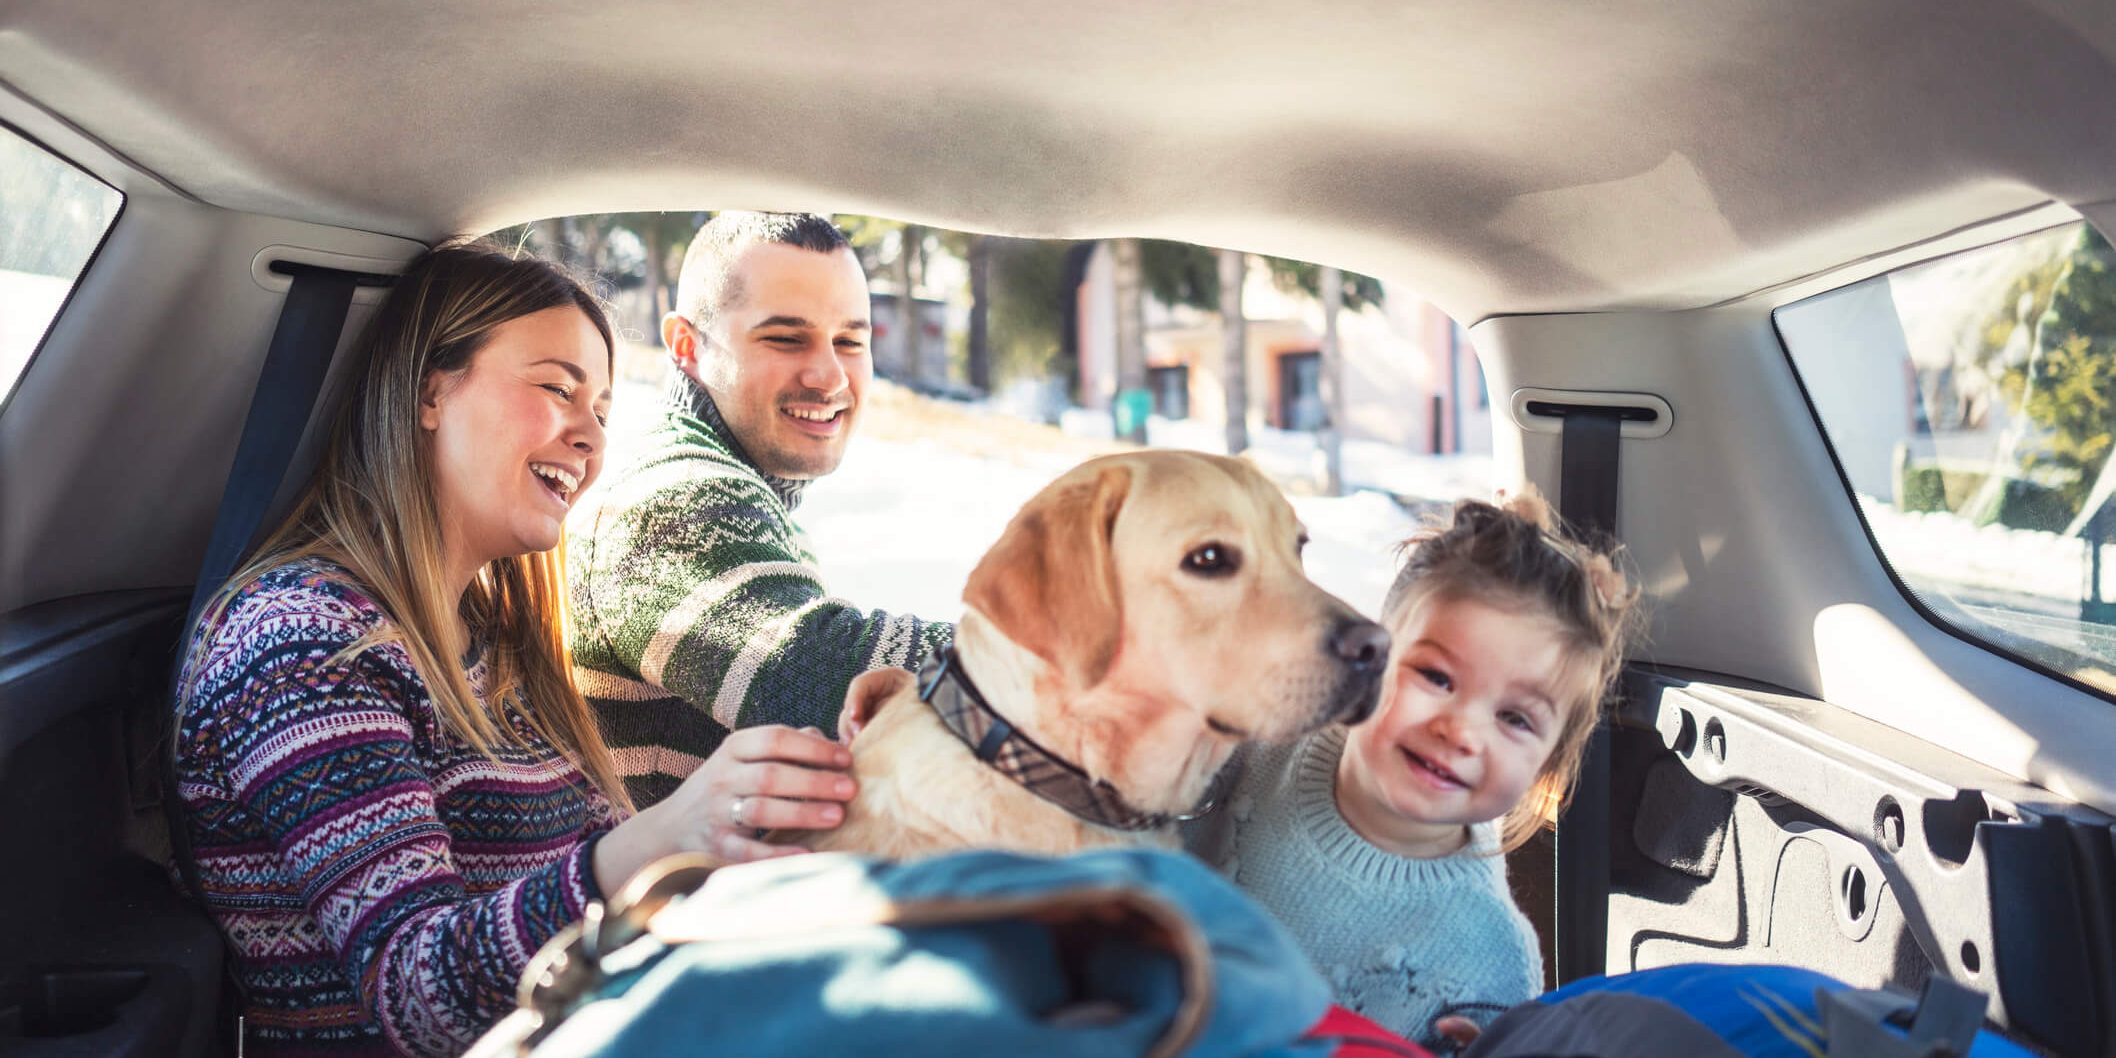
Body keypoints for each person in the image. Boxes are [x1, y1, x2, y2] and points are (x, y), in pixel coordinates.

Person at [174, 241, 854, 1058]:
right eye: (555, 389)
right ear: (431, 391)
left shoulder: (494, 646)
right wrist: (666, 834)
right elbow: (417, 994)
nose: (589, 440)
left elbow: (594, 923)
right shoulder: (302, 643)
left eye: (602, 410)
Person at [1184, 491, 1644, 1052]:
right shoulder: (1271, 737)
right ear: (1373, 653)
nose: (1462, 731)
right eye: (1437, 677)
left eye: (1515, 718)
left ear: (1547, 763)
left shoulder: (1488, 953)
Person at [568, 211, 951, 807]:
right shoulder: (672, 495)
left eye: (850, 341)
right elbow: (818, 674)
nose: (829, 376)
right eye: (786, 338)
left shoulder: (742, 488)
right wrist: (1054, 655)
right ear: (687, 346)